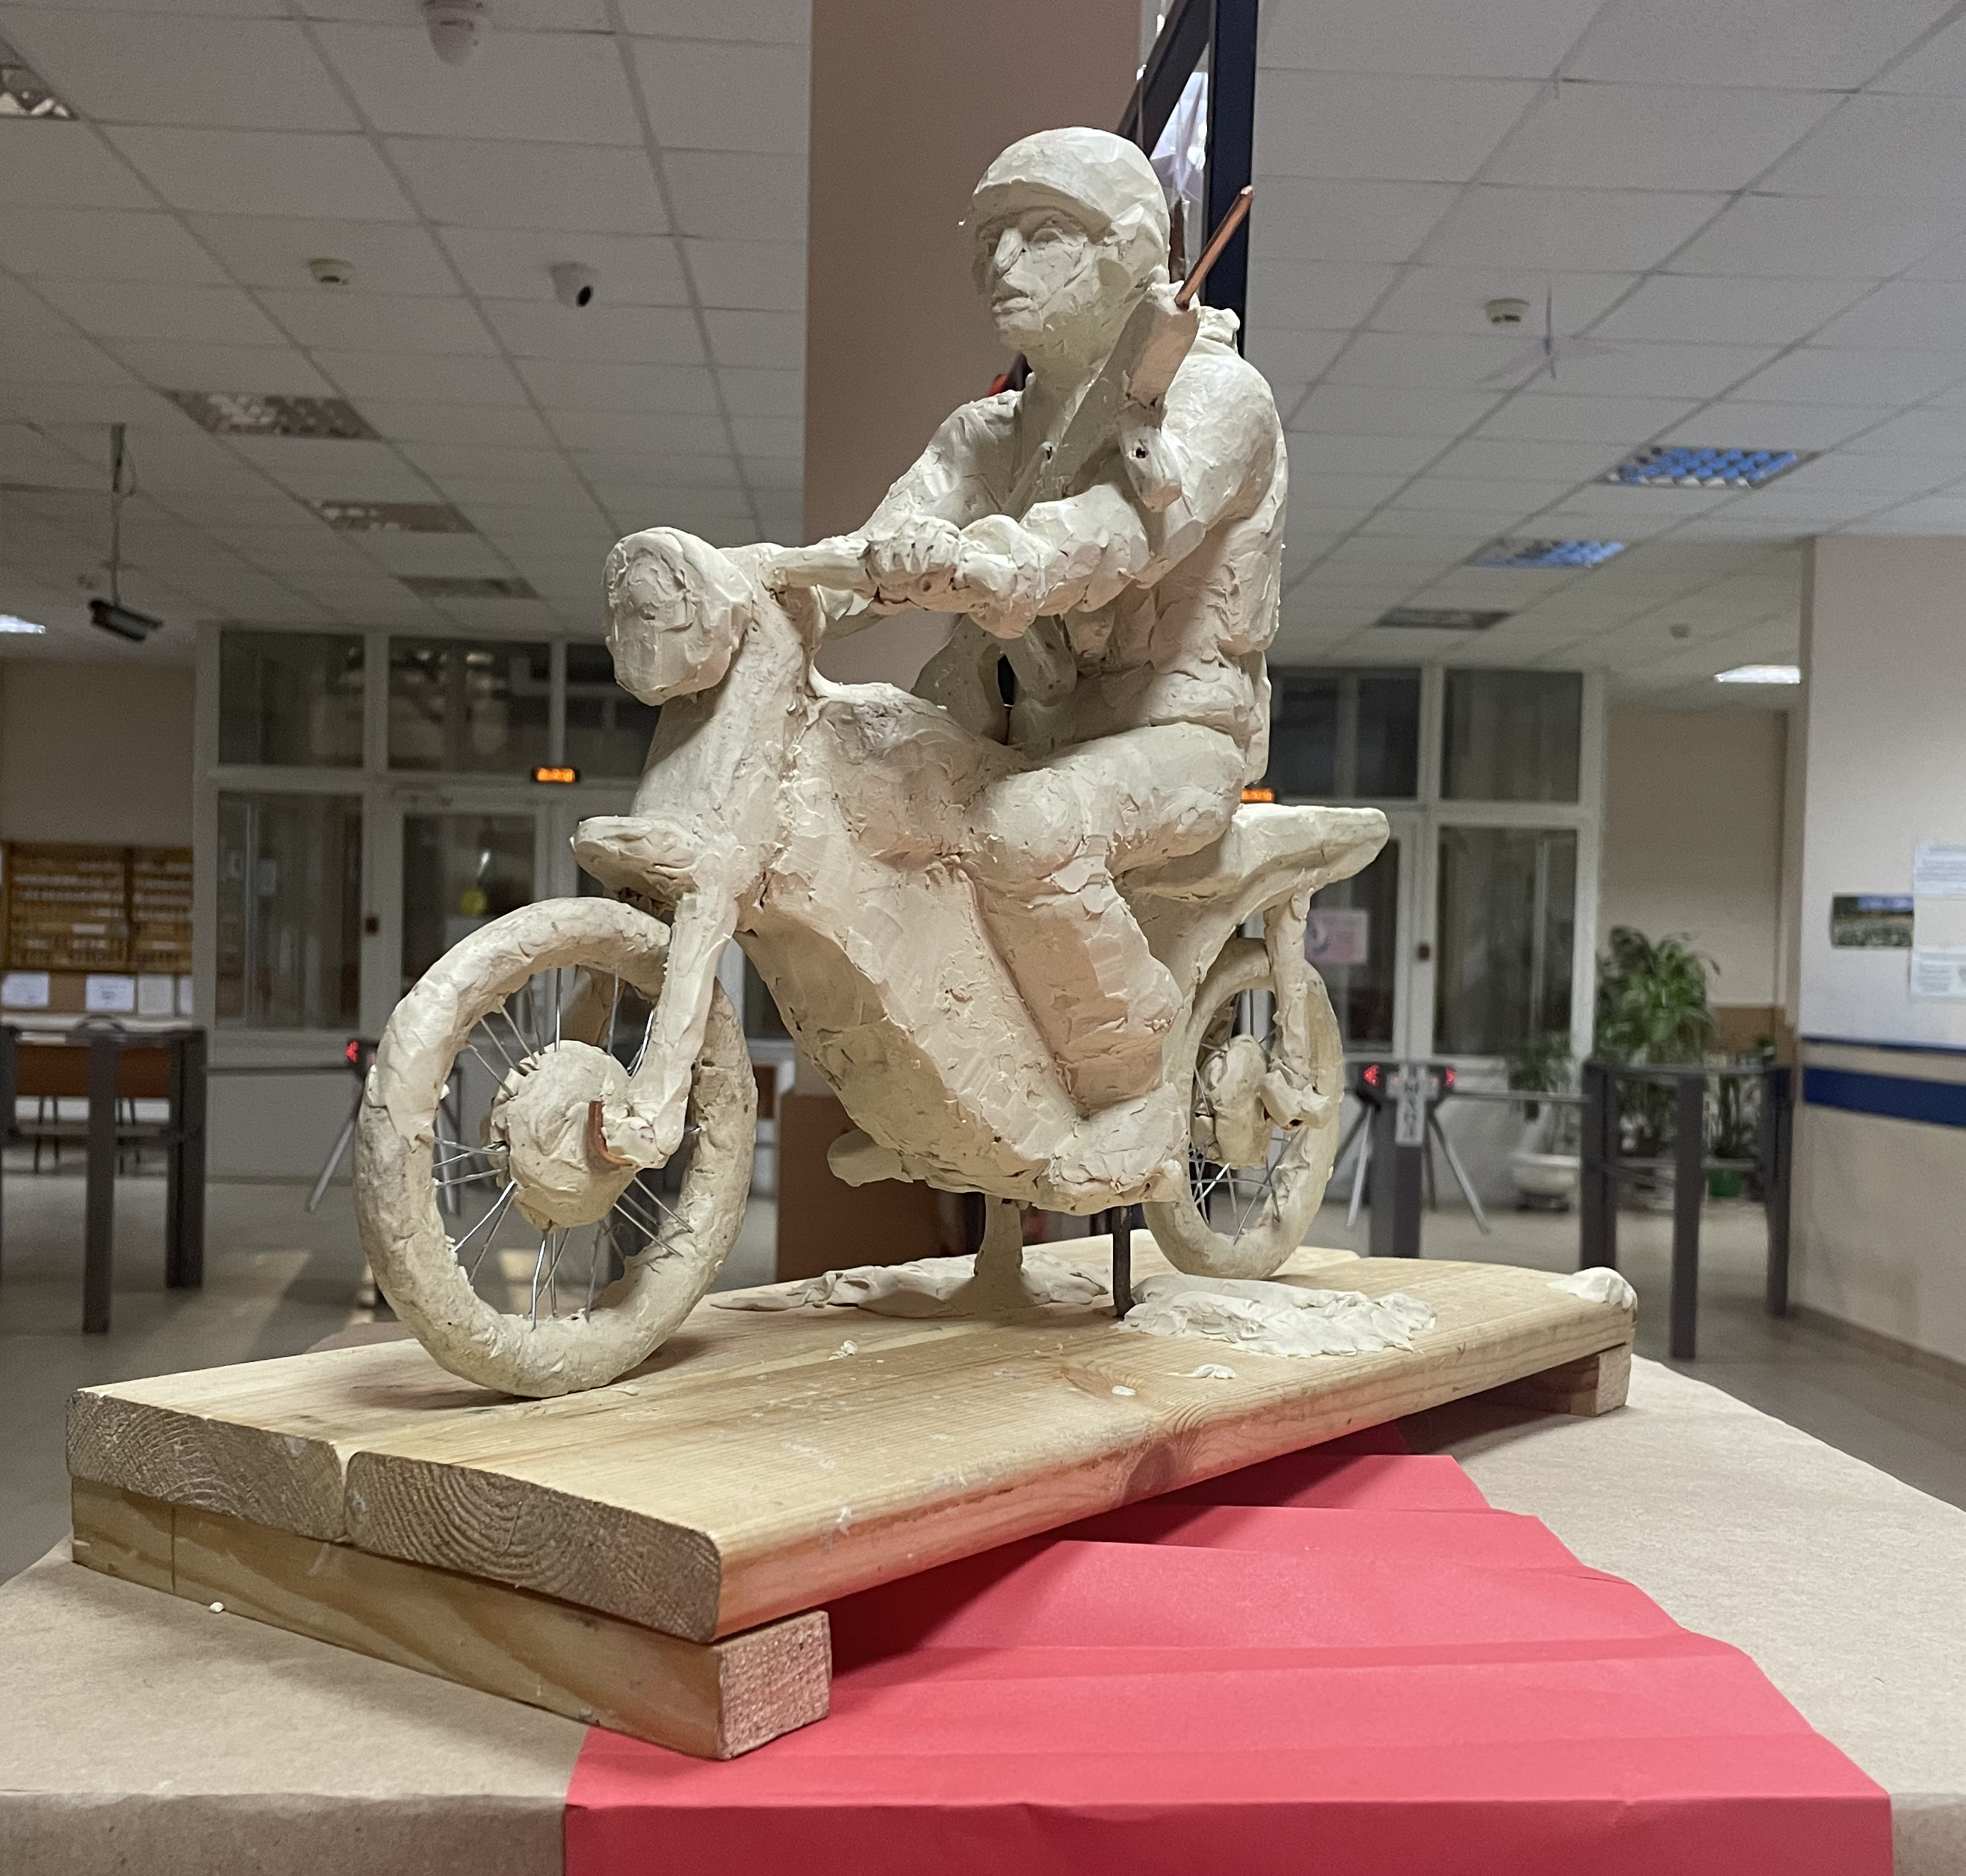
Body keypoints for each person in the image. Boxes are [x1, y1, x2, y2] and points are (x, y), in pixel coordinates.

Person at [797, 126, 1288, 1114]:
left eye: (1044, 234)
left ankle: (1131, 1084)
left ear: (1130, 251)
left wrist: (1002, 561)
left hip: (1178, 736)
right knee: (846, 769)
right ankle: (945, 1079)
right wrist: (763, 587)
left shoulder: (1216, 399)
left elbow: (1121, 535)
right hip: (1031, 731)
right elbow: (867, 555)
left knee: (1025, 831)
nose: (1003, 264)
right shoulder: (987, 433)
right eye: (991, 240)